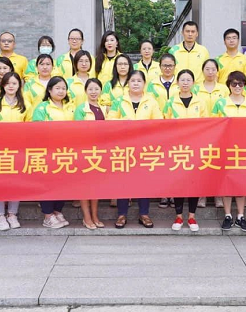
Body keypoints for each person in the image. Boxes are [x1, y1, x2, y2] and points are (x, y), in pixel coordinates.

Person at [107, 70, 162, 228]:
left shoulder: (151, 102)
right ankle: (121, 214)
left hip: (145, 149)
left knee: (144, 181)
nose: (136, 83)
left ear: (144, 84)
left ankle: (144, 214)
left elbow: (159, 123)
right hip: (124, 149)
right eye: (133, 80)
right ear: (128, 83)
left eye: (139, 81)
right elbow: (110, 121)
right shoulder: (119, 101)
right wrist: (126, 122)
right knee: (123, 181)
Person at [211, 71, 246, 232]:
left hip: (245, 148)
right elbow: (214, 125)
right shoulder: (220, 103)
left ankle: (240, 216)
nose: (237, 87)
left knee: (241, 182)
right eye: (234, 84)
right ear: (229, 85)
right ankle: (227, 215)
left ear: (244, 85)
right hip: (226, 147)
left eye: (241, 84)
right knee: (227, 181)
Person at [164, 69, 208, 232]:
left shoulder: (200, 102)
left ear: (193, 83)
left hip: (195, 148)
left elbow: (206, 125)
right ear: (177, 82)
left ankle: (191, 216)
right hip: (177, 149)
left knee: (194, 183)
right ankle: (178, 216)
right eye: (182, 79)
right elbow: (165, 124)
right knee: (179, 182)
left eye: (188, 80)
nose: (185, 82)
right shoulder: (170, 102)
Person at [31, 76, 75, 228]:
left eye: (63, 88)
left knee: (63, 183)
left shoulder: (70, 107)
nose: (61, 91)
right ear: (49, 90)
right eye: (57, 88)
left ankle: (57, 211)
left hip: (66, 152)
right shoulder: (42, 108)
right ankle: (48, 216)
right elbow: (36, 131)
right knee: (48, 184)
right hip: (48, 152)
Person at [0, 72, 26, 230]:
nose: (11, 86)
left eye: (14, 83)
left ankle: (12, 213)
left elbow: (30, 127)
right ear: (2, 85)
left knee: (15, 183)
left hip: (18, 150)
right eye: (8, 83)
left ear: (19, 86)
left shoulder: (24, 105)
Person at [192, 58, 229, 208]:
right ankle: (202, 195)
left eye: (213, 69)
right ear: (202, 71)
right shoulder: (195, 88)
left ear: (217, 71)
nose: (210, 72)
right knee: (202, 164)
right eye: (207, 69)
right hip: (200, 131)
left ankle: (218, 195)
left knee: (218, 163)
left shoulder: (224, 89)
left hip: (220, 131)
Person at [73, 78, 107, 230]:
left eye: (96, 89)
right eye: (90, 89)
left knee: (96, 186)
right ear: (85, 91)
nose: (93, 92)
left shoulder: (104, 108)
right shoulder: (81, 109)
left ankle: (95, 215)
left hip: (100, 152)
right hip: (85, 151)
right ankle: (86, 217)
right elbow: (77, 131)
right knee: (84, 186)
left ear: (101, 91)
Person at [146, 53, 177, 208]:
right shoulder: (152, 84)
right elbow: (149, 102)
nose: (167, 68)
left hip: (177, 129)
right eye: (164, 65)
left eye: (170, 65)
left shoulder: (181, 82)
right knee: (162, 161)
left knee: (175, 160)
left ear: (175, 67)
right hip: (158, 127)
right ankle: (164, 194)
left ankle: (175, 193)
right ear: (160, 67)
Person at [23, 54, 55, 121]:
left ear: (53, 66)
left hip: (55, 121)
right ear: (36, 67)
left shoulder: (57, 83)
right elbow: (26, 103)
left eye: (48, 64)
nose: (45, 67)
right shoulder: (29, 84)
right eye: (41, 64)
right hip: (35, 121)